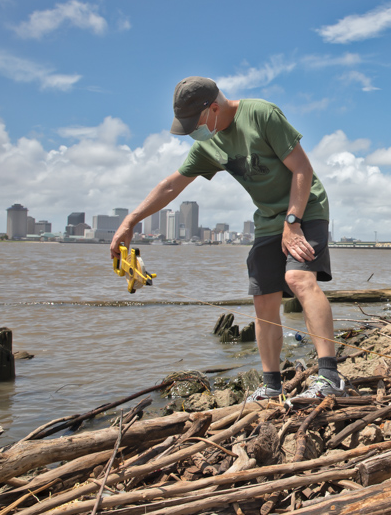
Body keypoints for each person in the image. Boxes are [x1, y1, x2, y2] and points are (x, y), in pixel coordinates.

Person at [110, 76, 347, 403]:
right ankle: (271, 384)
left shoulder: (262, 115)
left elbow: (302, 169)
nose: (194, 131)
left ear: (214, 108)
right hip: (267, 220)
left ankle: (329, 376)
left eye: (196, 123)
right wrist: (130, 220)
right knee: (263, 296)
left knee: (298, 278)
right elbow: (171, 185)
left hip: (306, 207)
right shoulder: (209, 144)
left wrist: (293, 222)